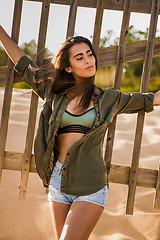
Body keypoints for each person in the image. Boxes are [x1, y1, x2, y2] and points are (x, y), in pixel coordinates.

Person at [0, 25, 160, 240]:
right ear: (68, 67)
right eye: (79, 57)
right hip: (58, 181)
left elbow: (152, 99)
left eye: (89, 54)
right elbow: (22, 63)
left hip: (90, 185)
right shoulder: (53, 93)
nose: (88, 60)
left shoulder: (109, 98)